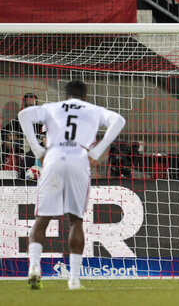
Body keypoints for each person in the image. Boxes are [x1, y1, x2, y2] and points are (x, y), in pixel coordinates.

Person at [18, 80, 125, 290]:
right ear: (84, 96)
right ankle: (74, 279)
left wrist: (37, 149)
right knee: (76, 220)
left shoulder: (52, 107)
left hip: (53, 157)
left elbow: (23, 115)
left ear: (66, 96)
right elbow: (119, 120)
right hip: (79, 158)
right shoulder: (93, 109)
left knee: (43, 217)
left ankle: (34, 267)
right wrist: (97, 151)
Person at [2, 93, 41, 178]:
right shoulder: (16, 122)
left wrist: (17, 138)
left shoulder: (41, 122)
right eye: (28, 105)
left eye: (33, 106)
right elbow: (4, 133)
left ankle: (24, 177)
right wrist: (7, 139)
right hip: (16, 149)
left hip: (33, 150)